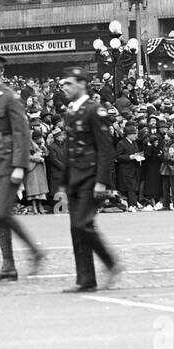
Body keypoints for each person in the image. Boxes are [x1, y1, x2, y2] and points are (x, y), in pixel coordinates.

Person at [0, 55, 44, 281]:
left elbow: (21, 133)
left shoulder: (9, 98)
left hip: (8, 164)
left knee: (2, 213)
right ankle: (8, 266)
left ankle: (34, 251)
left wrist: (19, 166)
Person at [51, 67, 120, 292]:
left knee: (82, 225)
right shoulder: (71, 112)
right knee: (77, 230)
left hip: (91, 178)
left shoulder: (94, 110)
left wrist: (102, 181)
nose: (64, 88)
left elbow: (105, 149)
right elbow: (70, 152)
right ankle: (85, 279)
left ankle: (110, 263)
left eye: (68, 84)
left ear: (81, 84)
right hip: (75, 179)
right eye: (63, 84)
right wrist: (62, 185)